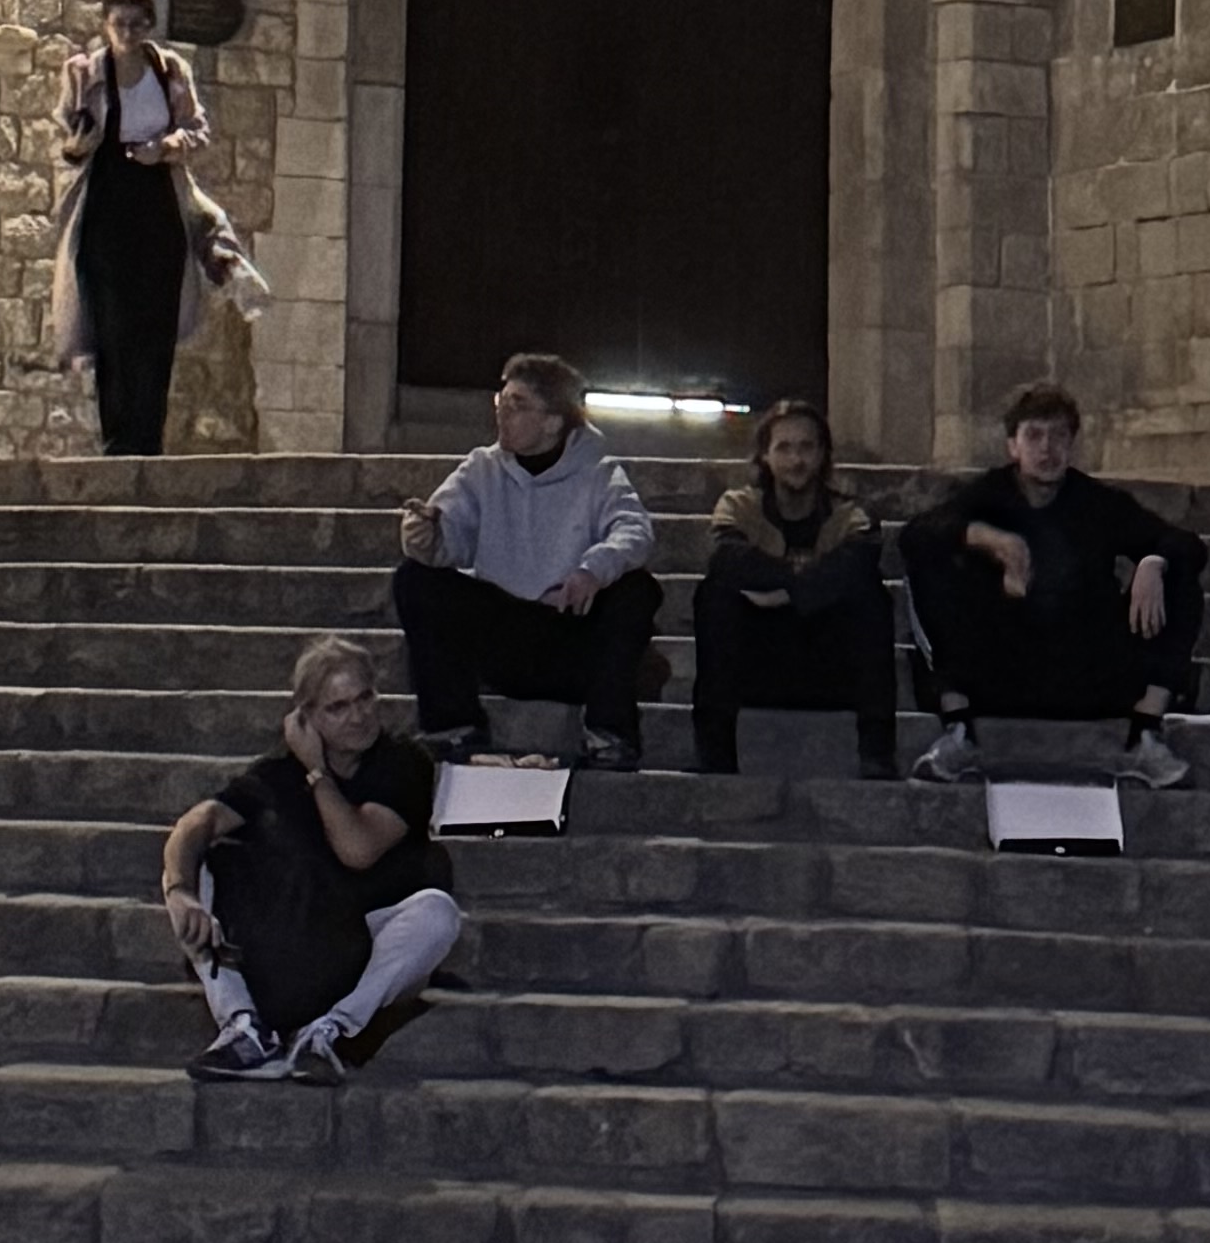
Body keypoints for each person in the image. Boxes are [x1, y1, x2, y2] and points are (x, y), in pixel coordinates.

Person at [160, 632, 467, 1078]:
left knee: (437, 913)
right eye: (337, 708)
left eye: (364, 698)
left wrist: (317, 772)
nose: (358, 716)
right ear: (306, 717)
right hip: (298, 942)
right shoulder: (279, 772)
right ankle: (243, 1027)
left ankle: (330, 1033)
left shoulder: (404, 762)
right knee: (194, 862)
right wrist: (180, 892)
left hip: (366, 940)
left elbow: (357, 849)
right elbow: (198, 821)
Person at [899, 382, 1209, 789]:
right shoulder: (988, 495)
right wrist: (986, 537)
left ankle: (1145, 736)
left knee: (1179, 574)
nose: (1047, 449)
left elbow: (1186, 543)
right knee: (928, 559)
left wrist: (1154, 560)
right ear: (1013, 446)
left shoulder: (1097, 503)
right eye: (1034, 436)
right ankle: (958, 731)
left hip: (1084, 668)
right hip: (1001, 669)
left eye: (1059, 436)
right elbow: (915, 536)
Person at [388, 352, 662, 773]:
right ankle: (453, 726)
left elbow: (634, 530)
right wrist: (426, 534)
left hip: (570, 630)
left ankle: (609, 732)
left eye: (518, 405)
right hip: (504, 631)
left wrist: (592, 570)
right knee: (415, 579)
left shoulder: (599, 472)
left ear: (552, 421)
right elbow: (449, 535)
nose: (502, 414)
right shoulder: (482, 468)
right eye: (501, 402)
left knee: (637, 589)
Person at [690, 399, 899, 775]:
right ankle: (715, 755)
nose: (796, 459)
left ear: (822, 454)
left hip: (828, 667)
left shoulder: (850, 515)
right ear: (765, 456)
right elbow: (728, 561)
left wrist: (783, 592)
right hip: (758, 665)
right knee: (715, 595)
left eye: (806, 447)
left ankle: (877, 753)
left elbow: (858, 565)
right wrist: (811, 583)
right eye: (784, 448)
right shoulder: (739, 506)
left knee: (871, 595)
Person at [53, 0, 208, 458]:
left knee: (155, 322)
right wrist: (80, 144)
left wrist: (165, 148)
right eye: (119, 24)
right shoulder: (84, 73)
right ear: (105, 26)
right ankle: (117, 438)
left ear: (149, 27)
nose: (128, 33)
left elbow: (197, 130)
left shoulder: (170, 71)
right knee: (113, 322)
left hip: (157, 200)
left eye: (137, 24)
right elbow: (66, 137)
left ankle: (148, 437)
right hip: (107, 203)